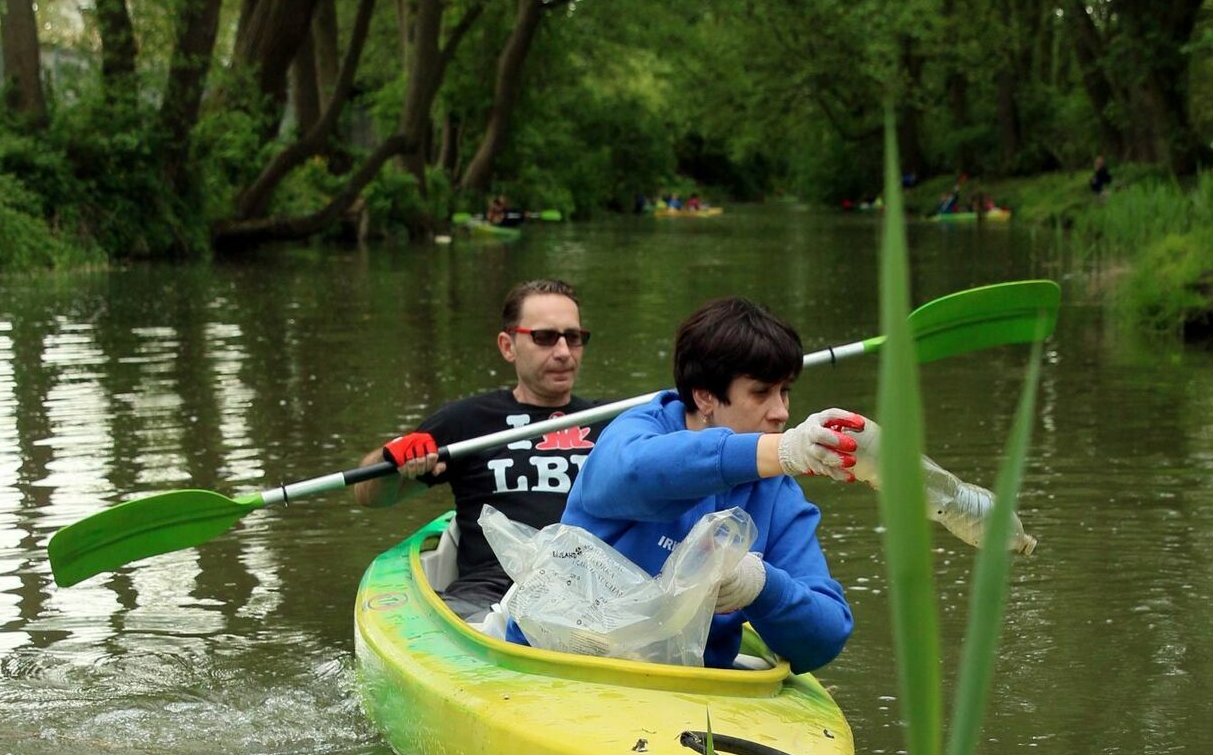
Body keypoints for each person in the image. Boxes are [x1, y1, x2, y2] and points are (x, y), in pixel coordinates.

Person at [554, 296, 859, 672]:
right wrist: (781, 449)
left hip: (692, 684)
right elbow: (633, 474)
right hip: (564, 661)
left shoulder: (777, 494)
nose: (782, 412)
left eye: (785, 391)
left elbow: (826, 639)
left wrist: (761, 586)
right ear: (705, 395)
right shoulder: (636, 434)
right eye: (762, 393)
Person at [354, 279, 597, 621]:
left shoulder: (616, 422)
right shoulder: (467, 421)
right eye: (544, 337)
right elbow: (370, 495)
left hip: (595, 588)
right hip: (490, 591)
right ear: (508, 346)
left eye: (573, 338)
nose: (562, 352)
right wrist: (392, 458)